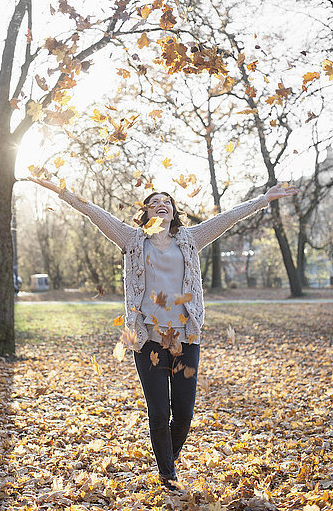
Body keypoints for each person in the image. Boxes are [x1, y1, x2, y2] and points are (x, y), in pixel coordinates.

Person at [28, 176, 298, 490]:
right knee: (159, 412)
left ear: (173, 211)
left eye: (167, 202)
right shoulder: (131, 239)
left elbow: (229, 217)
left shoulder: (190, 238)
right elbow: (94, 212)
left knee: (183, 413)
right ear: (145, 213)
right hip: (146, 340)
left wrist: (264, 199)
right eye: (155, 202)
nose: (162, 205)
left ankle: (167, 458)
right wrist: (61, 190)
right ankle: (167, 477)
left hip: (185, 337)